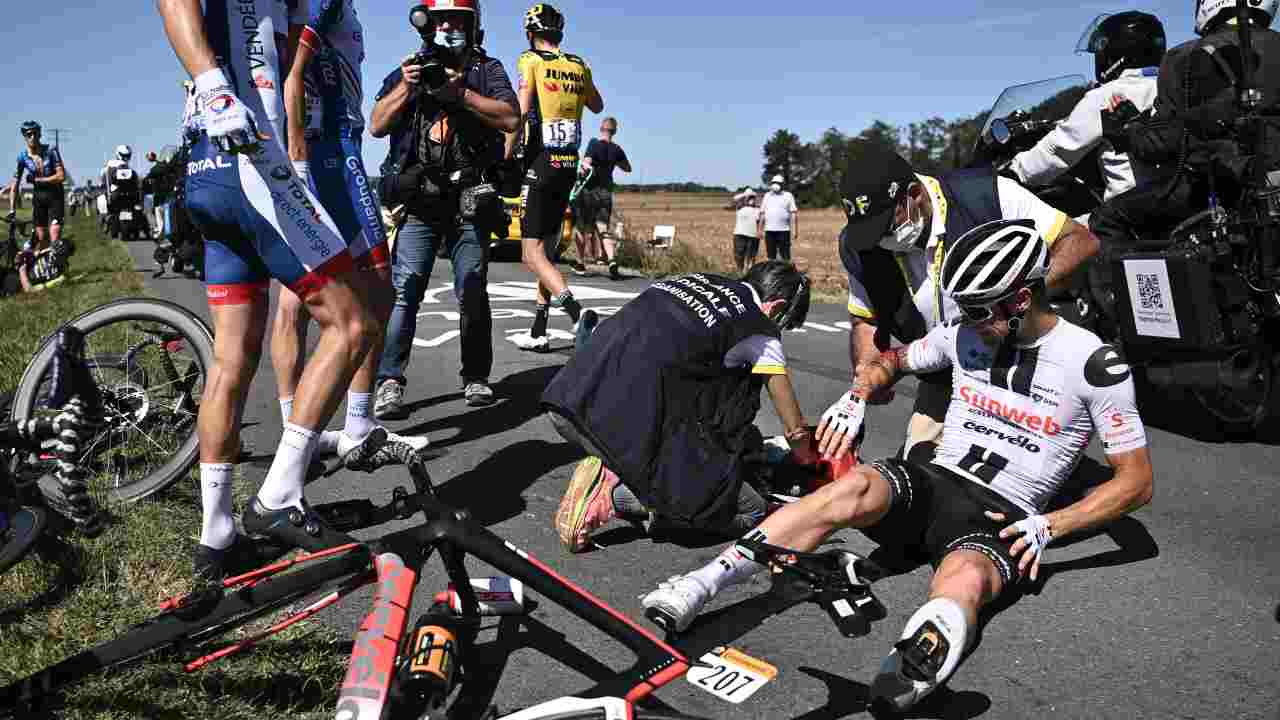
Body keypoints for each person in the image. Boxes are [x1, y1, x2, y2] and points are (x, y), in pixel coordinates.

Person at [641, 220, 1154, 713]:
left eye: (979, 311)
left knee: (967, 579)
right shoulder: (963, 335)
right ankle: (701, 585)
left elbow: (1135, 482)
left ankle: (914, 661)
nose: (969, 322)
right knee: (854, 485)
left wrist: (1052, 526)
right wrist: (859, 393)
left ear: (1020, 299)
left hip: (1004, 513)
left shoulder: (1092, 362)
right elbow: (891, 359)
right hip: (936, 482)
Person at [158, 0, 384, 586]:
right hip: (248, 162)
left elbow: (291, 55)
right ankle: (281, 493)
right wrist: (213, 84)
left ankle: (216, 536)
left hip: (206, 170)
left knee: (232, 358)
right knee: (354, 321)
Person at [831, 146, 1100, 463]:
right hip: (945, 373)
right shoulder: (859, 246)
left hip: (1019, 360)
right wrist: (866, 373)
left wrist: (1010, 296)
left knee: (1021, 471)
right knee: (919, 473)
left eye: (886, 227)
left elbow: (1080, 242)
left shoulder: (986, 196)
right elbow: (866, 319)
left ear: (915, 194)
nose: (879, 241)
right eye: (870, 233)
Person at [542, 261, 816, 552]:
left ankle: (623, 471)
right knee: (753, 511)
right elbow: (794, 429)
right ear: (776, 307)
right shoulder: (759, 328)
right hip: (615, 429)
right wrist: (807, 461)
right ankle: (618, 495)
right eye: (784, 324)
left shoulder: (694, 278)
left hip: (568, 400)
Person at [268, 0, 427, 459]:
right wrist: (297, 164)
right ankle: (328, 427)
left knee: (303, 297)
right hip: (328, 153)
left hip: (337, 146)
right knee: (366, 290)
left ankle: (331, 427)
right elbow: (292, 73)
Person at [371, 0, 519, 418]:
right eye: (441, 21)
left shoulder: (487, 71)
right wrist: (406, 86)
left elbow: (511, 118)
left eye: (458, 20)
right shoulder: (411, 69)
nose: (449, 27)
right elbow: (377, 124)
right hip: (419, 201)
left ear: (473, 26)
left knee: (472, 287)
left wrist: (462, 94)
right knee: (405, 291)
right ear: (428, 27)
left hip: (469, 199)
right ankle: (389, 382)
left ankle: (476, 377)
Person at [1091, 0, 1280, 259]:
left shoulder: (1187, 56)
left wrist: (1130, 124)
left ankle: (1125, 299)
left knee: (1108, 217)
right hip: (1268, 185)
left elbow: (1162, 145)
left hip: (1225, 186)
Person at [505, 3, 605, 352]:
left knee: (530, 255)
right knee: (546, 249)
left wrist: (504, 154)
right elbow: (597, 105)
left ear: (531, 33)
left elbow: (520, 110)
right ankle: (538, 329)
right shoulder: (578, 64)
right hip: (568, 163)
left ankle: (577, 315)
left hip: (541, 162)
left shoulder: (529, 60)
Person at [1009, 12, 1165, 202]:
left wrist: (1012, 172)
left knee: (1051, 230)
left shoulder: (1108, 94)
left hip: (1129, 215)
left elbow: (1057, 150)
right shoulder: (1174, 85)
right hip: (1176, 205)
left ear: (1113, 52)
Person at [579, 116, 631, 279]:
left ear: (601, 128)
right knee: (603, 228)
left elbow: (586, 164)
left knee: (583, 228)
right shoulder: (617, 149)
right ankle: (612, 260)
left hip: (589, 191)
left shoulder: (594, 144)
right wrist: (615, 161)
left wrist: (582, 170)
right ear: (614, 131)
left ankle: (580, 262)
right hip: (606, 192)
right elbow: (627, 168)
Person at [9, 122, 66, 253]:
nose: (33, 137)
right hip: (39, 196)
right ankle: (46, 268)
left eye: (35, 133)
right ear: (24, 136)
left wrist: (39, 180)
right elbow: (15, 184)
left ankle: (58, 265)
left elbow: (61, 176)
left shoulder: (51, 150)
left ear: (40, 134)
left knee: (55, 233)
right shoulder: (22, 157)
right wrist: (12, 210)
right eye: (29, 134)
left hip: (55, 194)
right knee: (41, 236)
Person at [759, 174, 798, 261]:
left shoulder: (788, 195)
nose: (776, 184)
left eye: (778, 183)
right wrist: (760, 230)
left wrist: (795, 230)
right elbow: (762, 213)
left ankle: (785, 273)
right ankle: (773, 273)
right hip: (769, 231)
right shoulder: (767, 196)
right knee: (770, 256)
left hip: (784, 231)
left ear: (782, 184)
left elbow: (794, 213)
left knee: (785, 256)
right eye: (774, 182)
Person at [732, 190, 762, 274]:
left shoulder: (758, 209)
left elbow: (760, 222)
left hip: (753, 235)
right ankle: (740, 271)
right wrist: (746, 194)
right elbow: (735, 199)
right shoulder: (740, 207)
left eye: (753, 198)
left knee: (751, 256)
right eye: (750, 198)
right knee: (739, 254)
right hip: (739, 234)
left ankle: (749, 272)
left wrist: (759, 232)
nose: (751, 200)